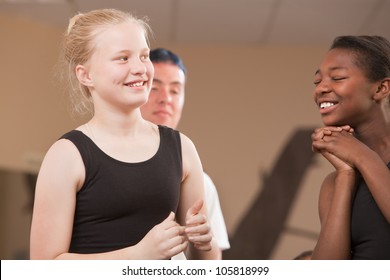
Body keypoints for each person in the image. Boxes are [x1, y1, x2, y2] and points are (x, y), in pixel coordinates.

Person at [29, 8, 219, 260]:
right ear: (86, 75)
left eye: (143, 56)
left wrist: (204, 242)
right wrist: (140, 254)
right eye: (123, 58)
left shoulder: (182, 148)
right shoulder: (66, 155)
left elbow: (209, 263)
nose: (140, 68)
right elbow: (43, 267)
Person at [140, 48, 230, 259]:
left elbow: (213, 264)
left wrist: (204, 240)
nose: (166, 99)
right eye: (154, 87)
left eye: (175, 90)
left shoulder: (200, 180)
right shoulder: (97, 159)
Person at [311, 35, 390, 259]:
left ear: (381, 89)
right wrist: (346, 173)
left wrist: (363, 156)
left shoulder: (362, 156)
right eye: (317, 81)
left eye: (337, 77)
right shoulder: (332, 184)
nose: (321, 88)